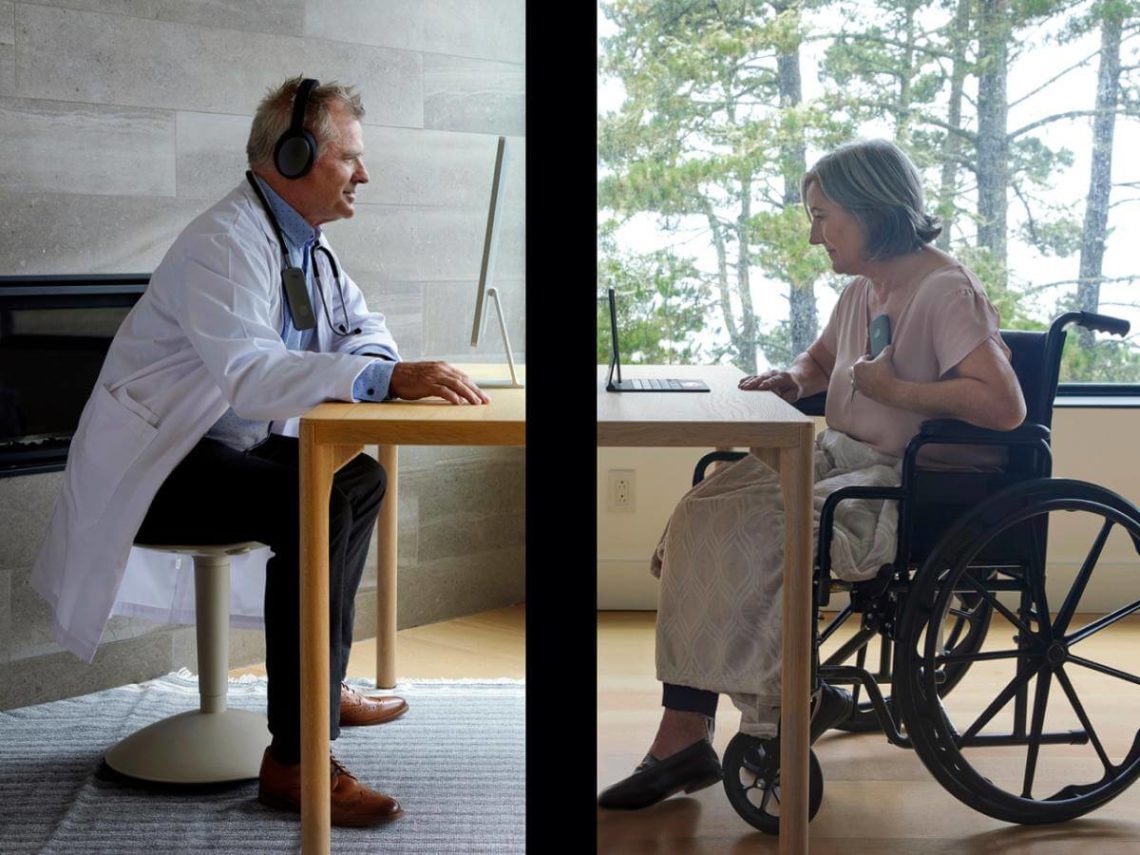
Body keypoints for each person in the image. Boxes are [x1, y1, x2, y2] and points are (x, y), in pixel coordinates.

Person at [30, 76, 489, 827]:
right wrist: (385, 377)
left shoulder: (308, 245)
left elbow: (366, 328)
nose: (364, 175)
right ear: (296, 154)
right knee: (307, 500)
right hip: (159, 464)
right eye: (351, 159)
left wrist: (380, 364)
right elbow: (251, 376)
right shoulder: (225, 243)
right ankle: (295, 758)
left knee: (360, 479)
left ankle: (321, 675)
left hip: (220, 440)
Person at [598, 138, 1026, 810]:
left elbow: (1004, 405)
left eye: (824, 216)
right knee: (704, 510)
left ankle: (763, 717)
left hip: (899, 484)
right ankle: (689, 726)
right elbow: (824, 362)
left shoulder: (945, 290)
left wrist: (898, 391)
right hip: (837, 457)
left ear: (870, 209)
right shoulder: (864, 289)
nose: (813, 234)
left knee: (757, 531)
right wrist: (794, 378)